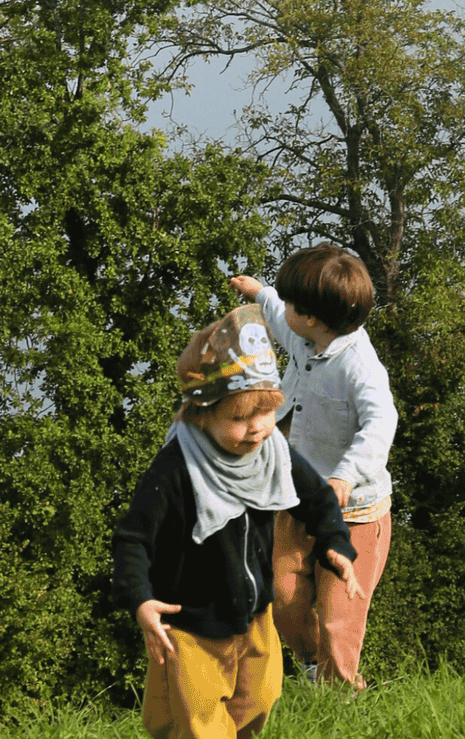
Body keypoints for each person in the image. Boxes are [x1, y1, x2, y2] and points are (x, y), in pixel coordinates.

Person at [113, 303, 363, 739]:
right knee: (200, 724)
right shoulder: (176, 468)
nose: (256, 429)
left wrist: (334, 543)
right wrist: (141, 599)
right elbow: (133, 539)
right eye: (239, 417)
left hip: (255, 616)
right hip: (192, 625)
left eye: (265, 413)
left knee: (260, 701)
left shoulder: (273, 454)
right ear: (202, 413)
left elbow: (318, 498)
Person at [228, 247, 398, 690]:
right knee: (282, 598)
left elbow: (381, 424)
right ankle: (311, 664)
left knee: (339, 617)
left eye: (290, 305)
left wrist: (345, 474)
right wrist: (259, 293)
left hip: (355, 513)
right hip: (300, 500)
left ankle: (342, 697)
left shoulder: (360, 367)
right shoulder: (307, 337)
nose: (284, 312)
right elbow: (279, 321)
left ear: (314, 317)